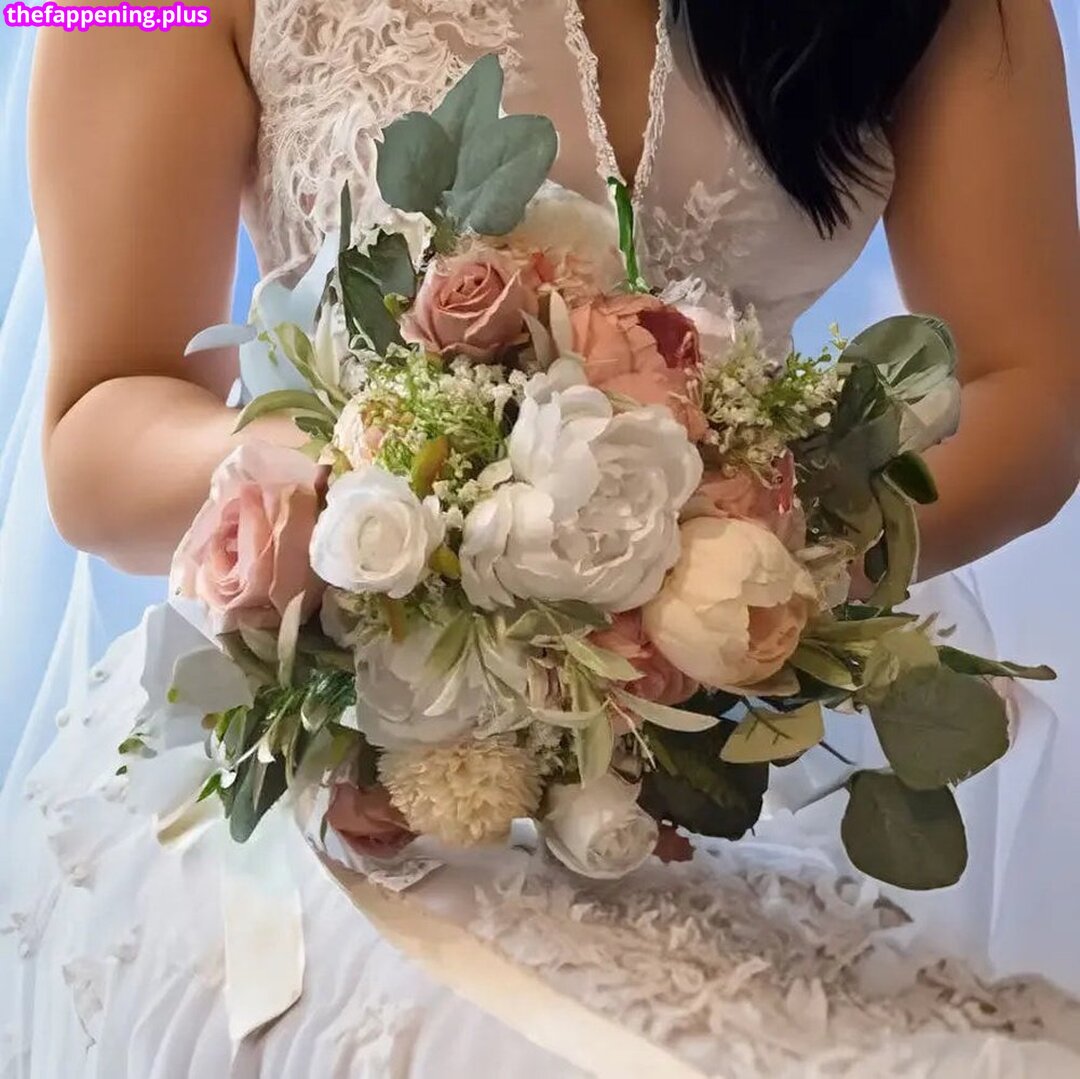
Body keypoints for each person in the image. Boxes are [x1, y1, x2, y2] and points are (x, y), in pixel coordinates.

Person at [1, 0, 1078, 1073]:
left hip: (744, 738)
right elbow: (101, 418)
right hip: (337, 736)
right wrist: (382, 479)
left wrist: (740, 553)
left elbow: (1033, 388)